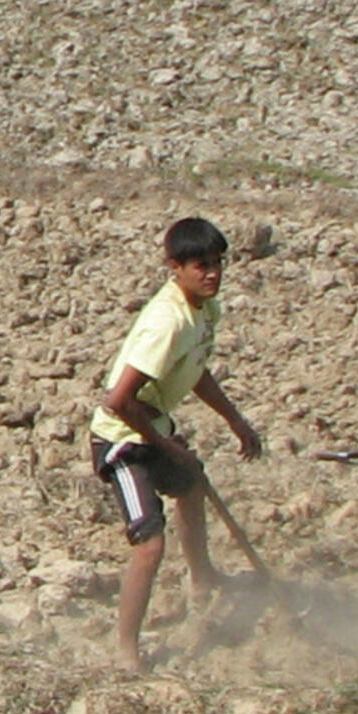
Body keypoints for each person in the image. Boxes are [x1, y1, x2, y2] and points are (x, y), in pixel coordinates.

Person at [89, 216, 262, 673]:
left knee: (191, 486)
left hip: (154, 425)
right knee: (150, 545)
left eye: (218, 264)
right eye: (201, 265)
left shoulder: (204, 310)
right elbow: (119, 400)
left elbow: (196, 370)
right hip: (121, 439)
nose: (212, 274)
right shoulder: (167, 322)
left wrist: (235, 421)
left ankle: (202, 579)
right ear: (175, 267)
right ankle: (126, 649)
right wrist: (167, 447)